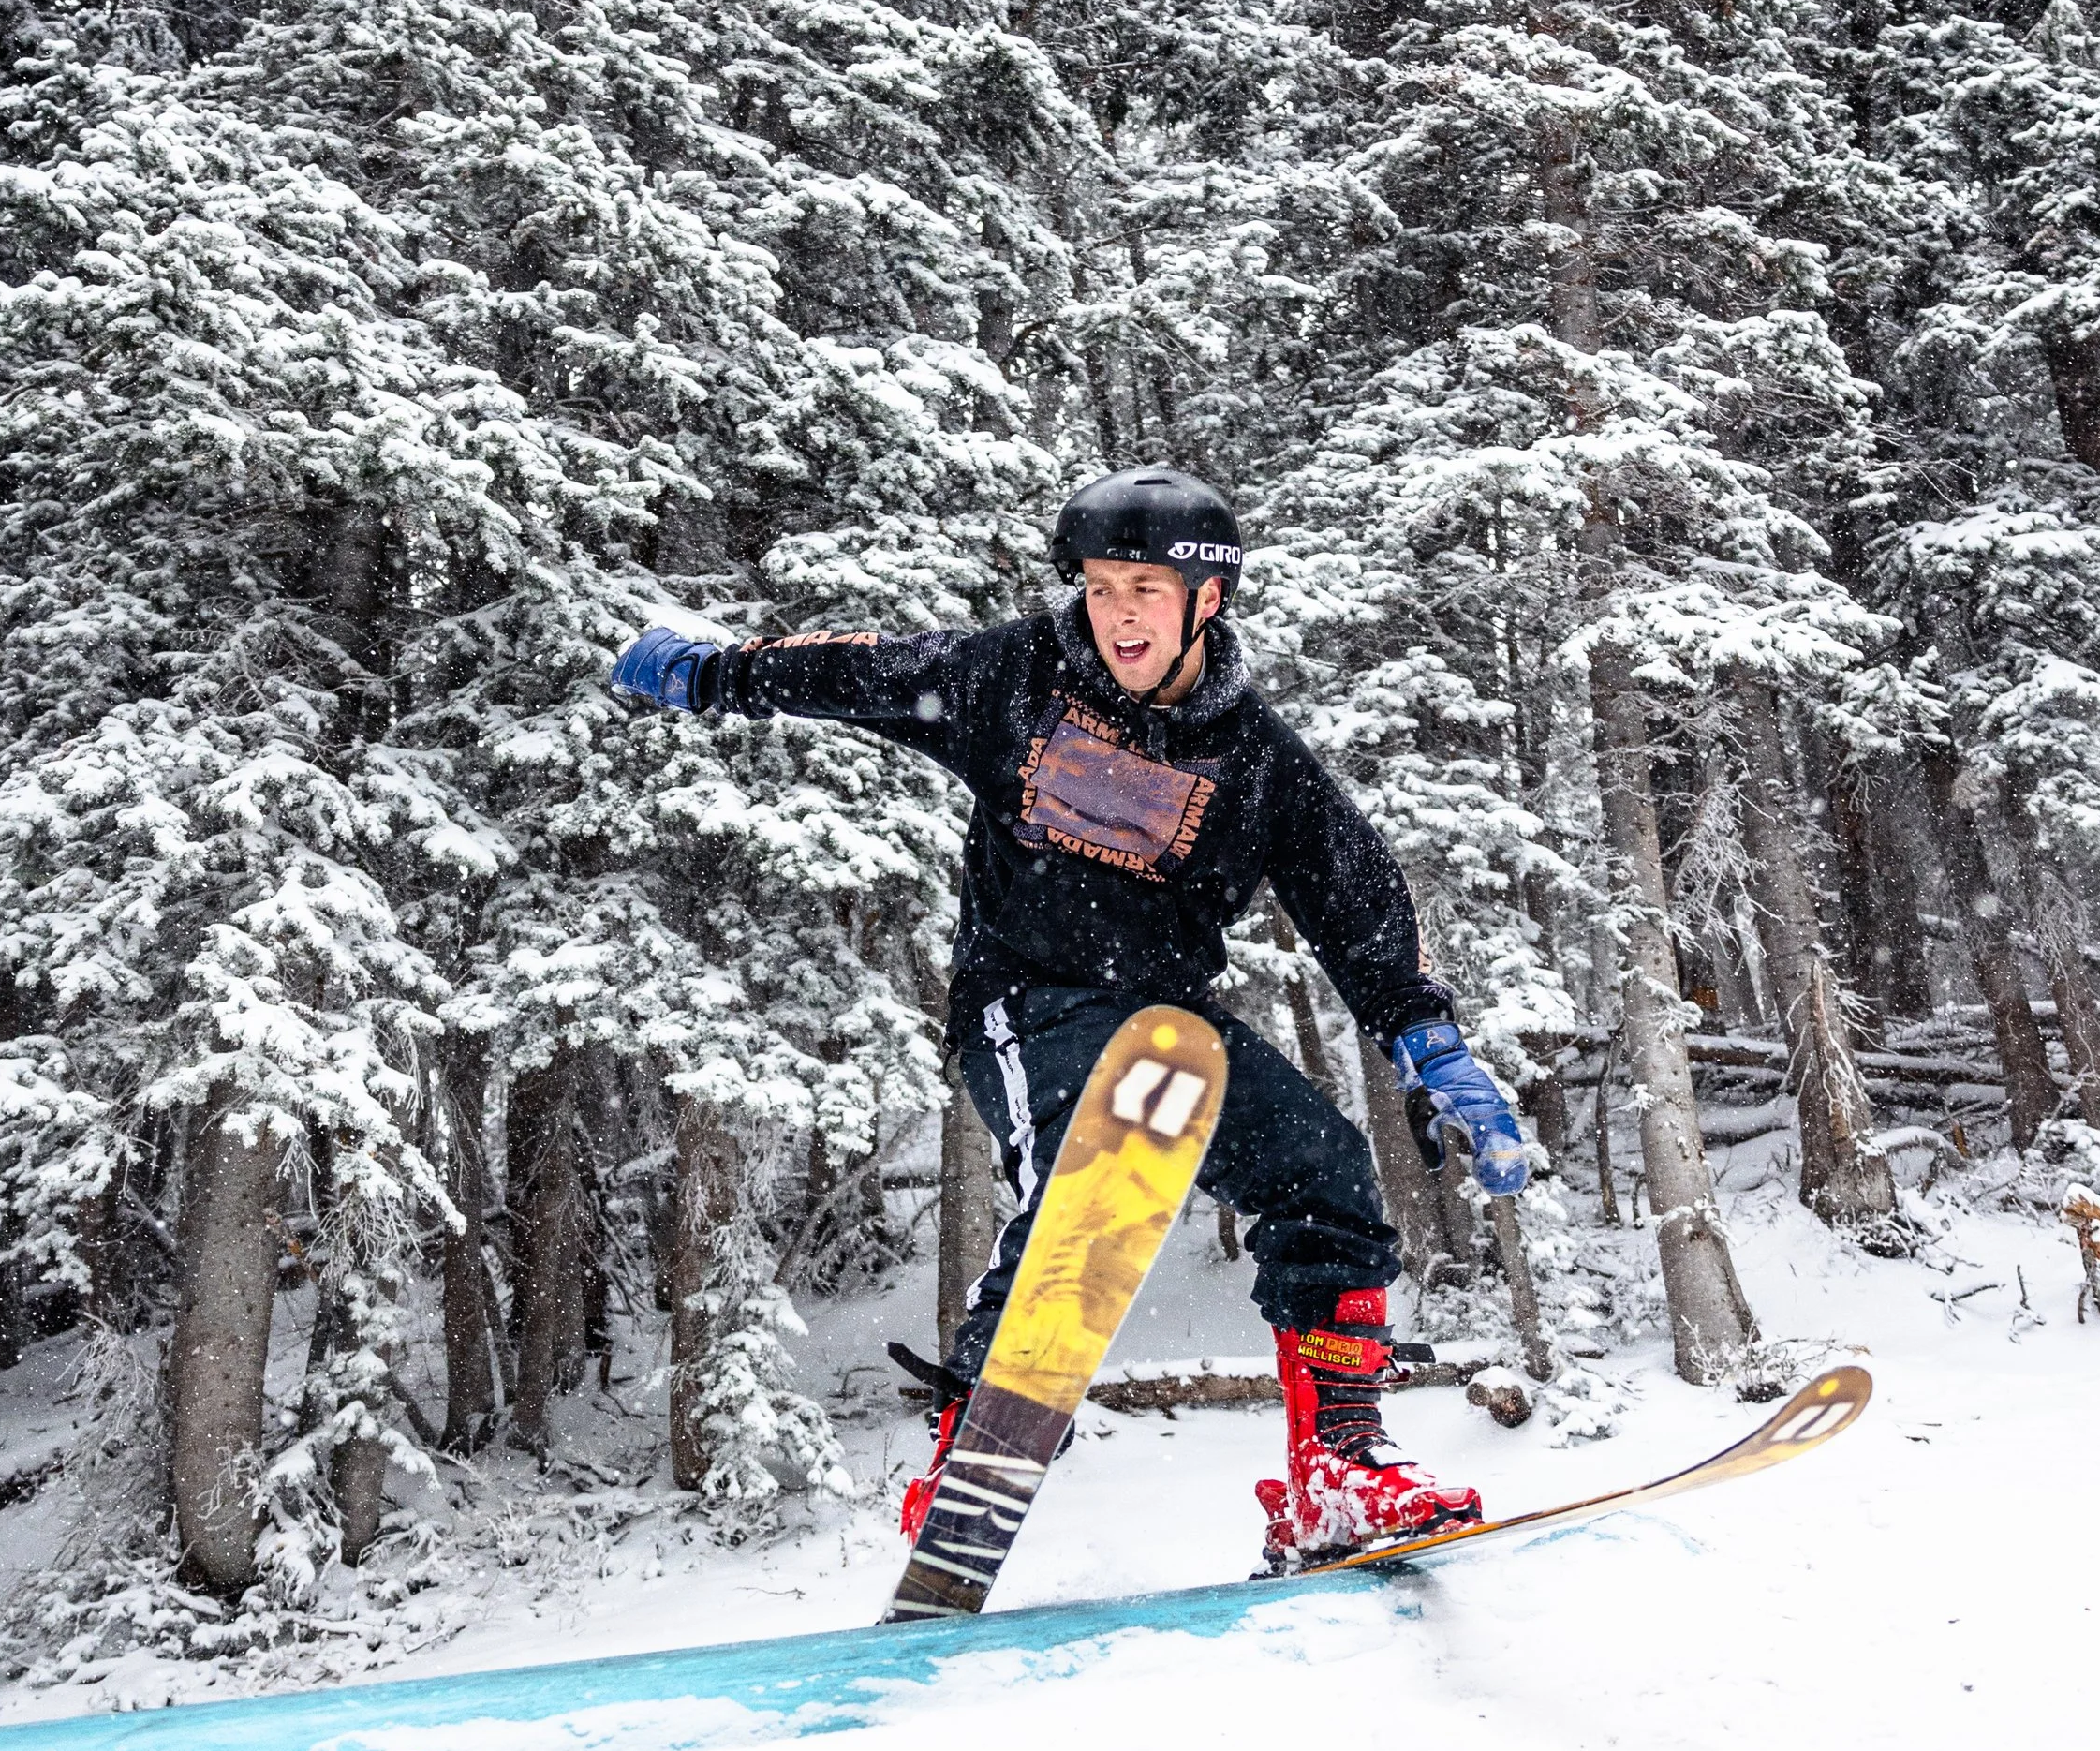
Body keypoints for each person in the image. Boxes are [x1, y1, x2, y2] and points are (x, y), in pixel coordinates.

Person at [611, 464, 1532, 1565]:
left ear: (1208, 599)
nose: (1118, 613)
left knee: (1324, 1170)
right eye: (1100, 587)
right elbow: (861, 671)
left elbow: (1359, 905)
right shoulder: (1013, 677)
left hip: (1173, 1020)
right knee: (1097, 1146)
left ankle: (1339, 1466)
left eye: (1144, 587)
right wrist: (715, 674)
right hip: (1025, 999)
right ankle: (979, 1437)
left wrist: (1431, 1050)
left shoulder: (1257, 763)